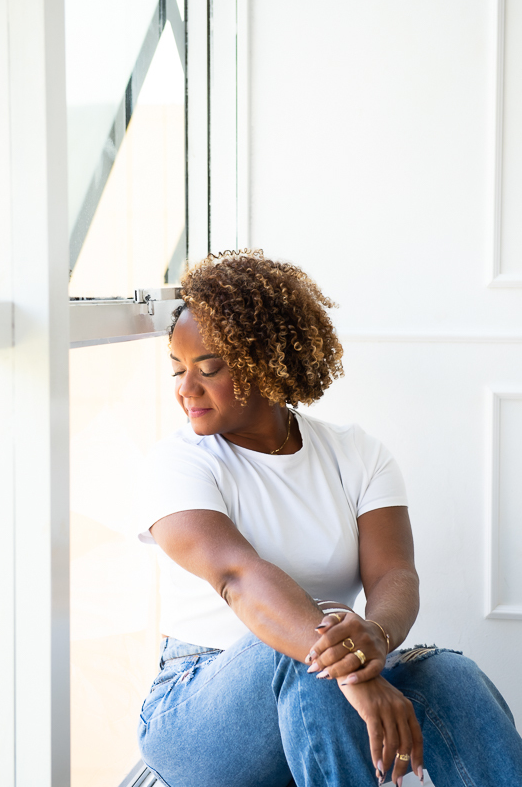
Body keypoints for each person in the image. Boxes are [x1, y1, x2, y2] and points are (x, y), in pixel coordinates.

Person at [136, 249, 522, 787]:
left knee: (450, 676)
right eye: (178, 369)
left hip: (328, 667)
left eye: (208, 368)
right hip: (198, 711)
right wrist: (352, 669)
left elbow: (393, 574)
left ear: (265, 361)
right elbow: (238, 578)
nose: (185, 388)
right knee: (305, 649)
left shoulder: (356, 453)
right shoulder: (176, 462)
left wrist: (377, 637)